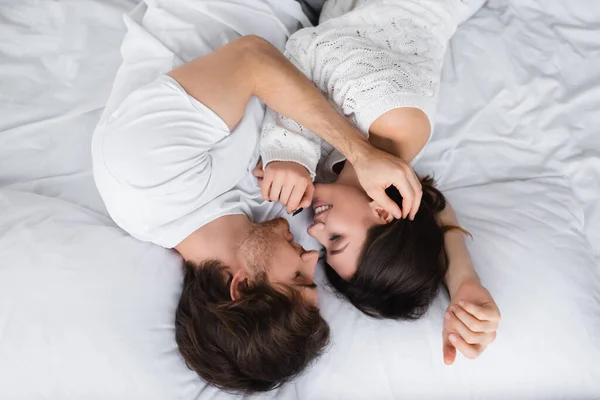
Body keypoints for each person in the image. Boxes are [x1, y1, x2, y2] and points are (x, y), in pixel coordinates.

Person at [92, 0, 423, 393]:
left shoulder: (144, 182)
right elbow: (399, 213)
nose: (312, 256)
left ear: (242, 286)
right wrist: (465, 281)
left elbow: (251, 59)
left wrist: (358, 151)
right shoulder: (270, 221)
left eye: (299, 278)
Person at [256, 0, 501, 365]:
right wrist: (289, 152)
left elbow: (434, 208)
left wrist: (464, 281)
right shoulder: (397, 117)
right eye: (336, 239)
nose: (315, 230)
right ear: (385, 214)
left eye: (325, 247)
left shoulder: (349, 180)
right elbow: (306, 49)